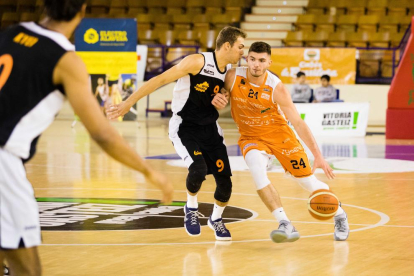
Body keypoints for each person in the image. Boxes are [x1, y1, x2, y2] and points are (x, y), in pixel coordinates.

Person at [0, 0, 173, 275]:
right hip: (4, 162)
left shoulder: (11, 33)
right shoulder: (65, 60)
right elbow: (102, 133)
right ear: (82, 11)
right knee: (27, 269)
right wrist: (150, 172)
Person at [107, 26, 246, 241]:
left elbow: (221, 95)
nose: (242, 52)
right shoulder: (197, 62)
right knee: (198, 169)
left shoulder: (227, 72)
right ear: (227, 45)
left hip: (210, 128)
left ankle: (215, 219)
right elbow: (159, 80)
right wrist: (128, 103)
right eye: (240, 47)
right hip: (185, 127)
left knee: (225, 183)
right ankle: (191, 208)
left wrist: (222, 98)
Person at [212, 42, 349, 243]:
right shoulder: (232, 77)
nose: (256, 65)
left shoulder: (277, 87)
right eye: (252, 59)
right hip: (251, 138)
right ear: (247, 59)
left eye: (261, 60)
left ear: (269, 62)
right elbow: (220, 94)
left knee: (307, 181)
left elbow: (298, 123)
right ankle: (285, 223)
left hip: (281, 136)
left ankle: (339, 215)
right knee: (257, 171)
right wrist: (220, 97)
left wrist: (318, 156)